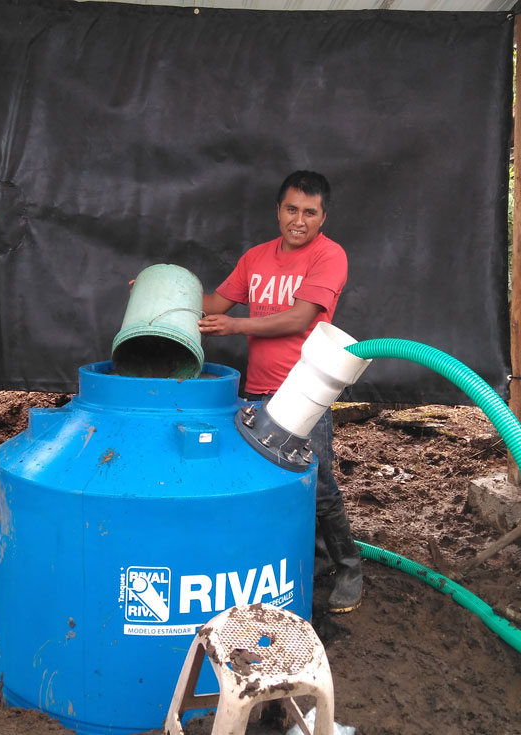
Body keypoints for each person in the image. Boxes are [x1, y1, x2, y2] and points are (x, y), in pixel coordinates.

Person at [198, 170, 364, 613]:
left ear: (323, 217)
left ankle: (349, 565)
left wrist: (235, 326)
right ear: (278, 210)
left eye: (310, 213)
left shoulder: (329, 256)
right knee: (267, 479)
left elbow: (298, 319)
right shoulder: (256, 258)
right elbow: (215, 303)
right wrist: (166, 292)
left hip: (305, 391)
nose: (299, 220)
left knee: (317, 481)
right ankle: (310, 558)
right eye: (291, 209)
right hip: (257, 390)